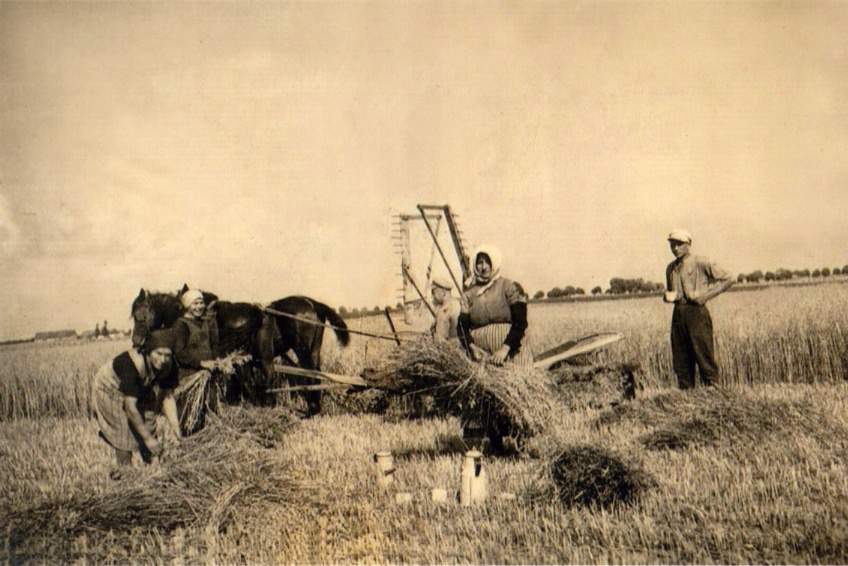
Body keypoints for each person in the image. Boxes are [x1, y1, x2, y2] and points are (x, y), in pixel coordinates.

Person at [91, 328, 182, 474]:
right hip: (109, 388)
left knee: (149, 420)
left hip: (141, 385)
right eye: (158, 354)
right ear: (148, 350)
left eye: (167, 355)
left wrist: (177, 431)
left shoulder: (169, 366)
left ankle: (150, 467)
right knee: (123, 431)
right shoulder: (130, 365)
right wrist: (148, 439)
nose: (163, 360)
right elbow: (130, 408)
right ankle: (125, 472)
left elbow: (167, 398)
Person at [664, 228, 734, 389]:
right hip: (678, 315)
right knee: (681, 362)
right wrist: (667, 296)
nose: (675, 248)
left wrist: (705, 295)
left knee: (704, 357)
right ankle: (687, 401)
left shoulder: (700, 262)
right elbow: (672, 292)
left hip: (697, 313)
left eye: (679, 244)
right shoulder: (670, 269)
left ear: (688, 244)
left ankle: (713, 397)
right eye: (672, 245)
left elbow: (729, 278)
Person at [457, 245, 533, 367]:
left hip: (511, 351)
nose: (484, 267)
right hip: (481, 356)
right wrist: (472, 347)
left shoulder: (508, 286)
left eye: (488, 262)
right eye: (480, 262)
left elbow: (521, 321)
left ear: (494, 263)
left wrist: (505, 349)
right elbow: (462, 327)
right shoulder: (468, 294)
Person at [173, 288, 219, 380]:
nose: (199, 307)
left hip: (209, 373)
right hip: (190, 375)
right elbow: (180, 353)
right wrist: (201, 363)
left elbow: (214, 345)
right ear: (187, 306)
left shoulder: (207, 322)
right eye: (195, 303)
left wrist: (216, 359)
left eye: (201, 303)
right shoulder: (181, 324)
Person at [430, 275, 461, 341]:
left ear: (443, 292)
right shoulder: (443, 308)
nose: (432, 296)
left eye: (433, 292)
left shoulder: (452, 308)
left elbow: (455, 337)